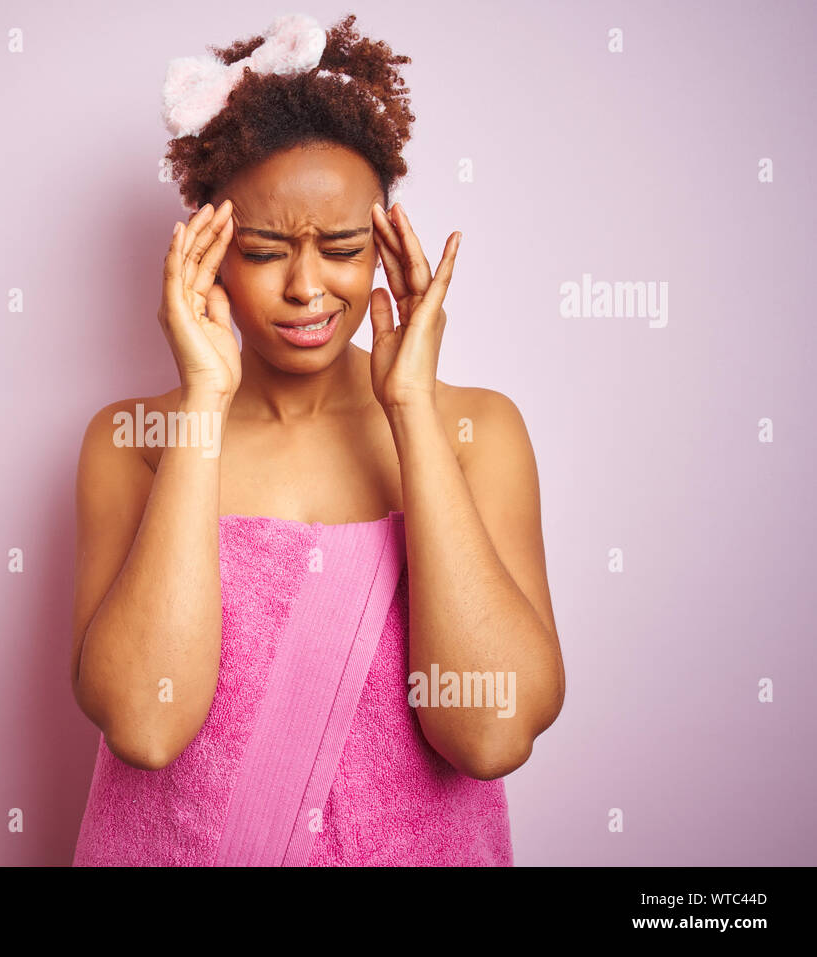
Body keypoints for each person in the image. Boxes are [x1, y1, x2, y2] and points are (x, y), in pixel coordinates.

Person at [69, 12, 564, 866]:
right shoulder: (136, 441)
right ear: (208, 249)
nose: (306, 288)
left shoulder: (475, 432)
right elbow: (147, 727)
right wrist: (202, 399)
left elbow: (489, 735)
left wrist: (410, 407)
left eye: (339, 247)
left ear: (382, 242)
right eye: (263, 251)